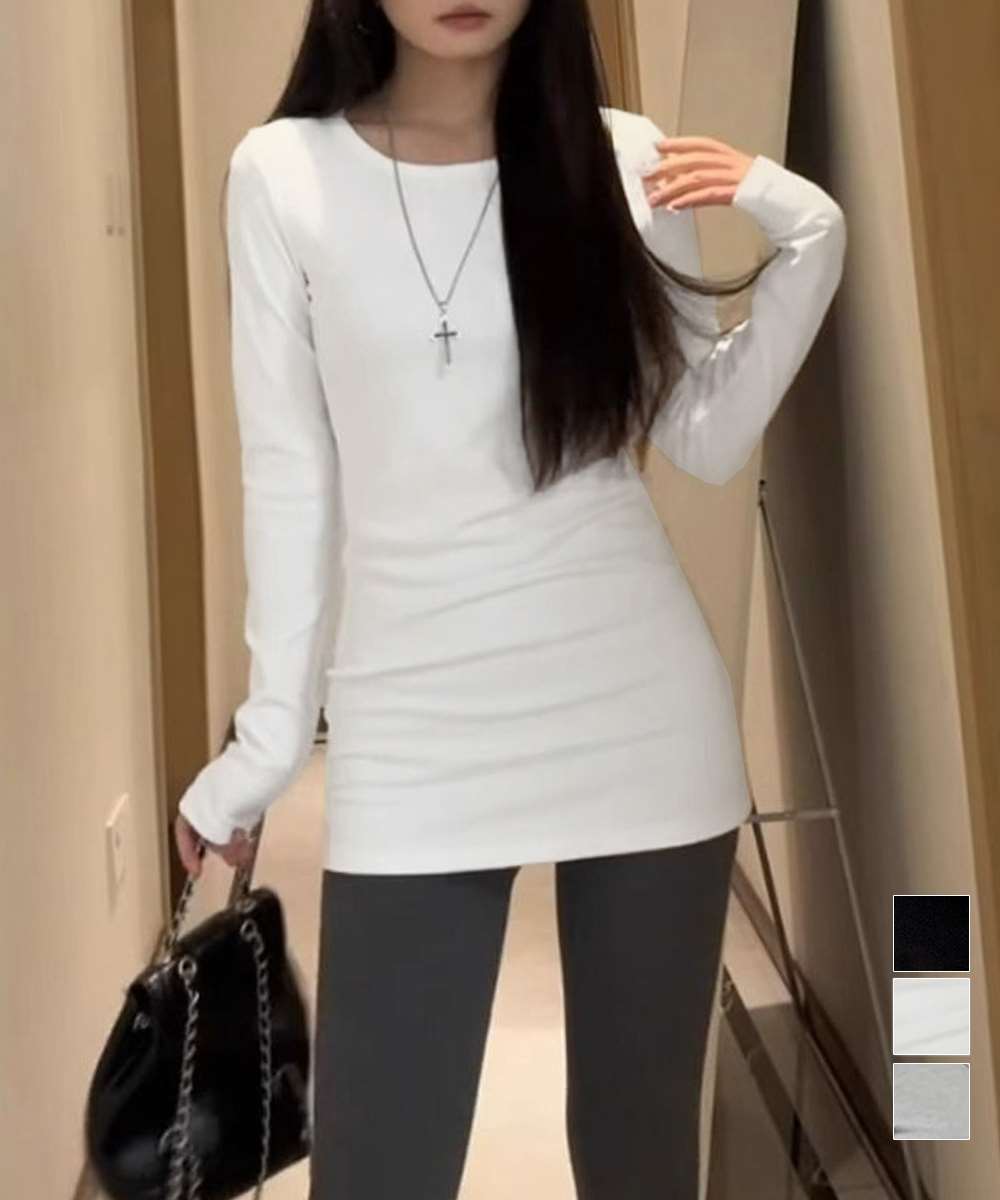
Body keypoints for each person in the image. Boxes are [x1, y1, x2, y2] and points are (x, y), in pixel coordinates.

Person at [174, 0, 847, 1195]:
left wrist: (810, 233)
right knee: (380, 1173)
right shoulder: (281, 175)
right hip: (413, 737)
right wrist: (265, 745)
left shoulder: (623, 158)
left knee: (639, 1161)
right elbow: (289, 484)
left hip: (640, 724)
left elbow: (702, 433)